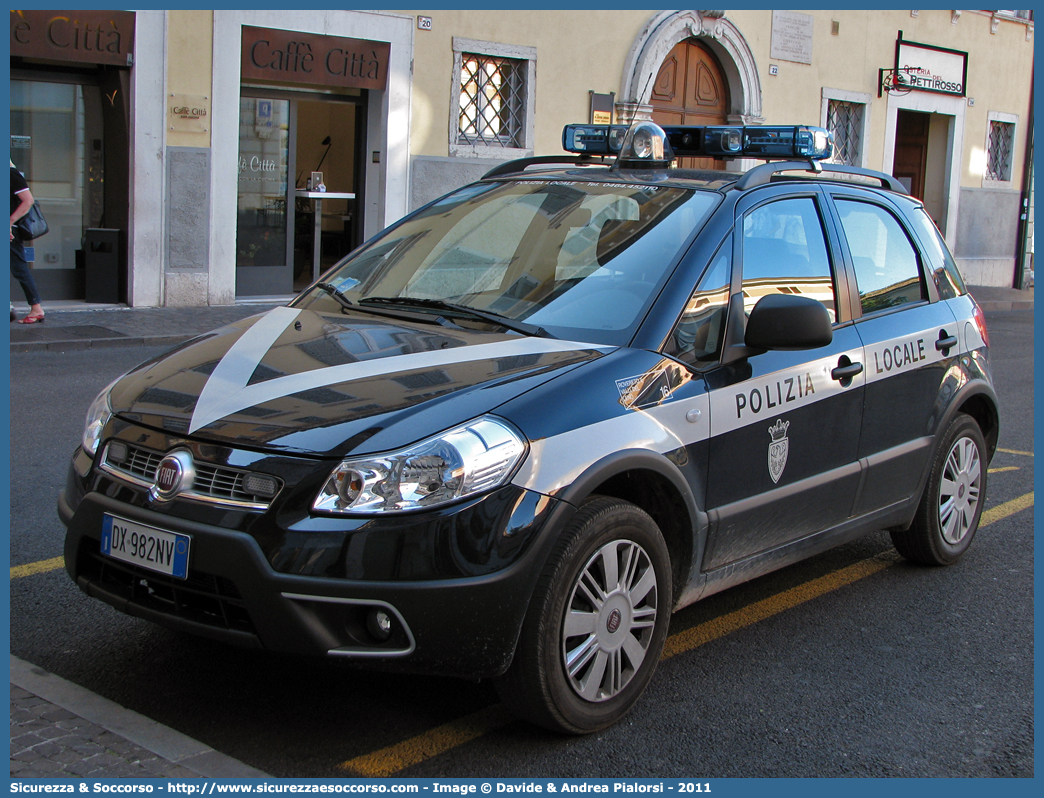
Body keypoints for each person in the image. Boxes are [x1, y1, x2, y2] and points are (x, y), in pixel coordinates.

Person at [10, 160, 44, 324]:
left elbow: (28, 201)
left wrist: (9, 222)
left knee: (19, 269)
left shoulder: (11, 174)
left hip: (11, 230)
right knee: (19, 268)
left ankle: (36, 308)